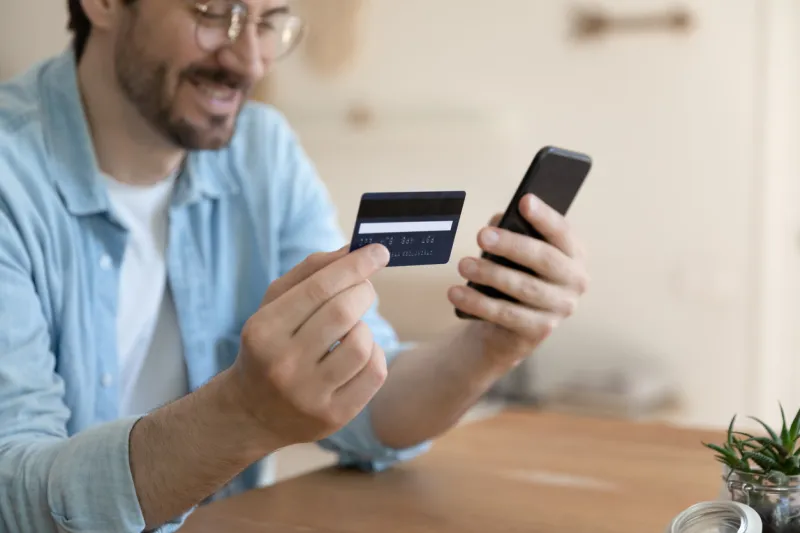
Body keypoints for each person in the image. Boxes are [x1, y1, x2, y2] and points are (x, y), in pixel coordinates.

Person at [0, 0, 590, 531]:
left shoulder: (262, 151)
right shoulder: (11, 178)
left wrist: (488, 347)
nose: (250, 59)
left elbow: (364, 407)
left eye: (268, 20)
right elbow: (11, 494)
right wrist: (244, 415)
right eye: (214, 13)